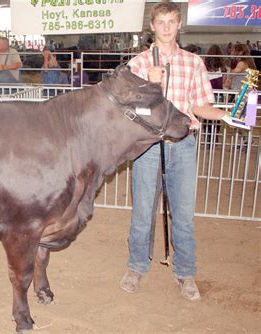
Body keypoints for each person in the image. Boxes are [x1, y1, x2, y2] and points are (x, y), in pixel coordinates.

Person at [120, 1, 229, 301]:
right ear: (152, 26)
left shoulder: (194, 62)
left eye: (172, 22)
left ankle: (186, 271)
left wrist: (226, 115)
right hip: (148, 146)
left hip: (182, 145)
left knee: (184, 214)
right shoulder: (139, 63)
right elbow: (129, 108)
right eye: (161, 22)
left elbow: (198, 106)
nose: (166, 28)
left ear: (180, 24)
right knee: (143, 211)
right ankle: (137, 265)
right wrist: (147, 85)